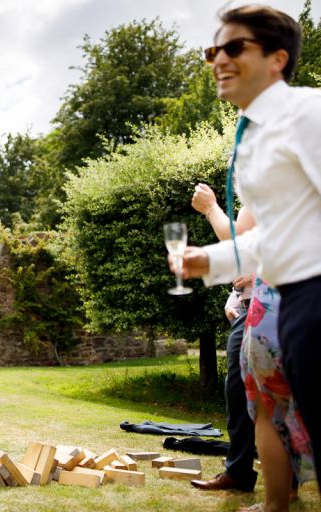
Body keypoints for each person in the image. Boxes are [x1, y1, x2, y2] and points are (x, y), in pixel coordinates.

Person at [175, 4, 321, 502]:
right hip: (289, 299)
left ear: (278, 59)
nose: (218, 59)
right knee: (282, 420)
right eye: (213, 49)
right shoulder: (255, 138)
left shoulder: (308, 113)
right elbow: (281, 231)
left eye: (235, 47)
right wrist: (211, 262)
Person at [189, 184, 259, 494]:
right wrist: (236, 297)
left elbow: (238, 242)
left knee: (268, 397)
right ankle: (239, 471)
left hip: (268, 306)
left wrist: (211, 209)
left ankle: (283, 485)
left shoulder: (277, 194)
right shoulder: (259, 199)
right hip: (249, 306)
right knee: (238, 392)